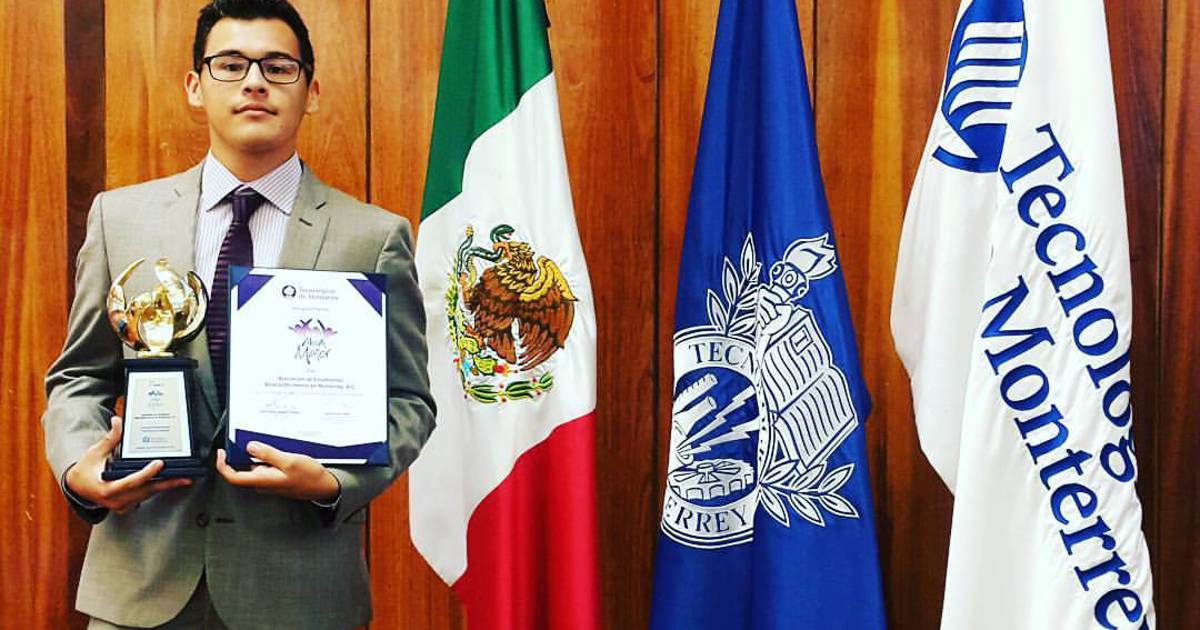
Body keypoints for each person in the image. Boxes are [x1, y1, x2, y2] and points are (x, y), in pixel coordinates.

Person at [41, 1, 435, 628]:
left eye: (278, 67)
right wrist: (78, 466)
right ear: (195, 87)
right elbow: (80, 377)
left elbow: (408, 401)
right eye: (230, 65)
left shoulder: (373, 236)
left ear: (311, 92)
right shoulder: (121, 218)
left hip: (300, 592)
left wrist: (335, 483)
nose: (254, 82)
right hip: (139, 585)